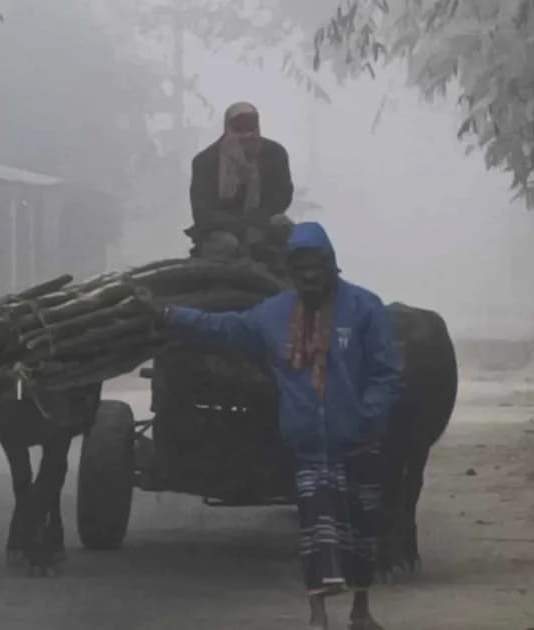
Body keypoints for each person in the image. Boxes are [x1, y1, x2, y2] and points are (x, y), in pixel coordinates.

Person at [154, 221, 402, 630]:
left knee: (362, 531)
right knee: (316, 533)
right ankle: (318, 616)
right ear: (289, 270)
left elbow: (385, 374)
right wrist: (171, 315)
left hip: (357, 442)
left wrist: (367, 418)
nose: (308, 275)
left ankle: (361, 609)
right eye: (299, 267)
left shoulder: (364, 308)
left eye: (315, 266)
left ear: (331, 265)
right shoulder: (272, 315)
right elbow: (224, 327)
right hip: (308, 444)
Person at [186, 101, 294, 265]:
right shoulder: (206, 161)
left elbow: (282, 196)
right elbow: (203, 211)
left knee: (284, 226)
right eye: (238, 128)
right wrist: (242, 229)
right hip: (219, 230)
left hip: (264, 223)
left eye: (250, 127)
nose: (246, 135)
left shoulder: (274, 153)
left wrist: (257, 225)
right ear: (227, 128)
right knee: (227, 244)